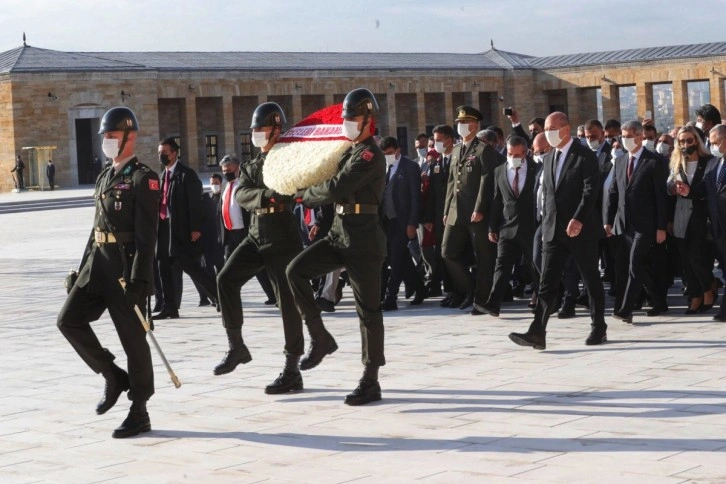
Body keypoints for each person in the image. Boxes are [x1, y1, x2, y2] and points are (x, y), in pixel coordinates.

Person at [57, 106, 160, 438]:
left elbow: (148, 238)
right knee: (68, 320)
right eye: (105, 137)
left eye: (112, 136)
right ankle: (113, 375)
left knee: (134, 342)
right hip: (97, 266)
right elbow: (96, 228)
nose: (107, 142)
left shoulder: (144, 178)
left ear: (130, 138)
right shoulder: (105, 176)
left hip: (124, 270)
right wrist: (82, 267)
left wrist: (141, 279)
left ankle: (139, 409)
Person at [286, 88, 386, 406]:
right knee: (296, 271)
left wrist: (305, 195)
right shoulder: (348, 151)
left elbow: (337, 185)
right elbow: (326, 172)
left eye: (353, 118)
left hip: (364, 239)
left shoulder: (370, 154)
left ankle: (370, 379)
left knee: (368, 311)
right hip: (340, 232)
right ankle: (320, 336)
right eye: (346, 119)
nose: (347, 124)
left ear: (369, 120)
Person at [214, 102, 306, 395]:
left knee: (287, 305)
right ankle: (236, 346)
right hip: (255, 235)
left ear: (277, 129)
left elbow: (290, 190)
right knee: (225, 280)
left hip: (282, 238)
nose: (255, 134)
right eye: (253, 129)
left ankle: (292, 369)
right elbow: (241, 193)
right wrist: (267, 196)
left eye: (260, 128)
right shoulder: (252, 164)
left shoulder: (289, 159)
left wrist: (270, 195)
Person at [509, 112, 607, 350]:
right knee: (547, 282)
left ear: (565, 129)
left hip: (580, 230)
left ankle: (598, 327)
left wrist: (578, 219)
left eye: (552, 128)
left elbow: (589, 191)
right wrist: (545, 226)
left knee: (590, 279)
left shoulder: (584, 156)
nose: (548, 132)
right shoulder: (550, 157)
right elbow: (548, 196)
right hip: (553, 231)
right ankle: (537, 331)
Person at [606, 120, 669, 324]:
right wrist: (608, 220)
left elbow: (661, 196)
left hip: (646, 224)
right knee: (635, 266)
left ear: (640, 137)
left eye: (629, 136)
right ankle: (658, 300)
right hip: (625, 224)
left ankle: (625, 309)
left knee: (635, 264)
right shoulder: (622, 161)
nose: (625, 140)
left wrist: (661, 226)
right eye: (622, 136)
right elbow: (614, 191)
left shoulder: (654, 161)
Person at [442, 106, 499, 313]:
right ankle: (469, 288)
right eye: (459, 123)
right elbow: (451, 181)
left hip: (476, 213)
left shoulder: (484, 150)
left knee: (483, 257)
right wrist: (447, 209)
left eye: (464, 123)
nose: (460, 126)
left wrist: (480, 208)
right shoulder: (456, 149)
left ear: (474, 125)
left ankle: (481, 299)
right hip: (456, 211)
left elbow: (487, 180)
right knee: (447, 252)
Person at [155, 137, 219, 319]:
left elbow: (195, 205)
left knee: (191, 267)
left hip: (181, 230)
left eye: (165, 153)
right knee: (163, 267)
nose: (162, 156)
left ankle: (220, 297)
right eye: (160, 153)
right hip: (164, 229)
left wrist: (195, 228)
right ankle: (170, 307)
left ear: (174, 153)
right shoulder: (163, 176)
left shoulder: (186, 175)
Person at [479, 135, 538, 316]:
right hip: (507, 227)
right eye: (510, 154)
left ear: (526, 153)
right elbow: (497, 200)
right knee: (502, 266)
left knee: (535, 266)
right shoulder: (500, 171)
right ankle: (493, 303)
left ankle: (545, 298)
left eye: (518, 155)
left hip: (531, 227)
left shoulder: (537, 169)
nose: (513, 158)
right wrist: (492, 227)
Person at [668, 125, 718, 314]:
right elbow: (668, 185)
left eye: (689, 140)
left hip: (702, 217)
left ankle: (707, 289)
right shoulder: (676, 162)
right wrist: (674, 188)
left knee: (697, 257)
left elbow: (712, 188)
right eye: (682, 141)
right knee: (686, 260)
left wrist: (692, 192)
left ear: (697, 141)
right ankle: (695, 295)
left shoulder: (709, 162)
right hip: (681, 217)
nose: (686, 144)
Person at [380, 136, 426, 310]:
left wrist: (412, 223)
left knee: (397, 259)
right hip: (386, 221)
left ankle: (390, 297)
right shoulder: (383, 167)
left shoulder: (410, 167)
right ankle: (420, 288)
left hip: (403, 220)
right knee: (400, 258)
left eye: (390, 153)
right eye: (384, 154)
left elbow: (415, 198)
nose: (387, 156)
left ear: (398, 150)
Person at [425, 125, 456, 302]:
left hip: (455, 215)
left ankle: (460, 290)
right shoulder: (437, 163)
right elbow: (433, 194)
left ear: (449, 140)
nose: (435, 144)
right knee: (440, 254)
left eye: (438, 140)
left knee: (452, 254)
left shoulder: (458, 159)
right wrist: (429, 217)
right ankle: (450, 291)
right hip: (439, 216)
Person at [700, 124, 726, 321]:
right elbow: (704, 191)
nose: (712, 146)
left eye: (715, 142)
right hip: (718, 228)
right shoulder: (712, 164)